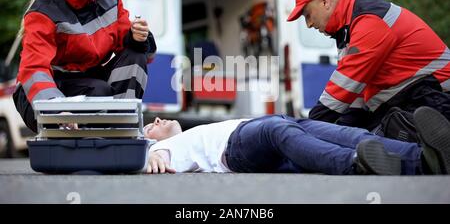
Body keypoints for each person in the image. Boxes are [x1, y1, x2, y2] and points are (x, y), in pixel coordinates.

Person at [286, 0, 450, 139]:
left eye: (308, 15)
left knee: (383, 145)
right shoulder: (348, 31)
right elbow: (355, 102)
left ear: (324, 1)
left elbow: (338, 94)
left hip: (436, 99)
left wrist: (305, 133)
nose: (308, 24)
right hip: (416, 99)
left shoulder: (368, 21)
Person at [13, 0, 156, 133]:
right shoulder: (42, 11)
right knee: (99, 93)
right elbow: (34, 69)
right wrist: (57, 110)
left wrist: (139, 37)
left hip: (89, 81)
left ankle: (123, 127)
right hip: (40, 93)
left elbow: (147, 56)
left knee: (135, 53)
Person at [143, 106, 450, 176]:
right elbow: (155, 162)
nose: (156, 121)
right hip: (237, 147)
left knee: (345, 134)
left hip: (260, 127)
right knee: (277, 130)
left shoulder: (189, 132)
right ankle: (356, 166)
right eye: (149, 127)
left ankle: (422, 158)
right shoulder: (160, 149)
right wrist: (152, 159)